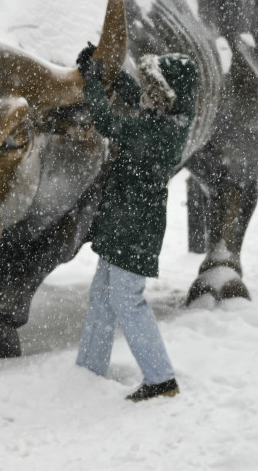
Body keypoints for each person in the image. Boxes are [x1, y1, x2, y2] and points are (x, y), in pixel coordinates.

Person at [75, 43, 198, 402]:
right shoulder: (169, 116)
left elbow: (107, 121)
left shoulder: (160, 131)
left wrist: (92, 83)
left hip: (135, 226)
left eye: (155, 86)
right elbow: (138, 97)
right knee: (102, 295)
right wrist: (107, 69)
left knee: (127, 299)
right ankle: (89, 369)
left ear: (168, 94)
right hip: (124, 220)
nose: (148, 92)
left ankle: (161, 379)